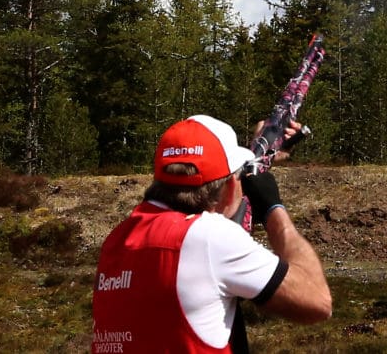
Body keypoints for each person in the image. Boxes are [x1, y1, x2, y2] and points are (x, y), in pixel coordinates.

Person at [91, 115, 332, 353]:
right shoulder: (209, 239)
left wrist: (260, 153)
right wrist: (273, 208)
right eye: (238, 176)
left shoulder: (118, 239)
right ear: (228, 189)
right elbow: (317, 301)